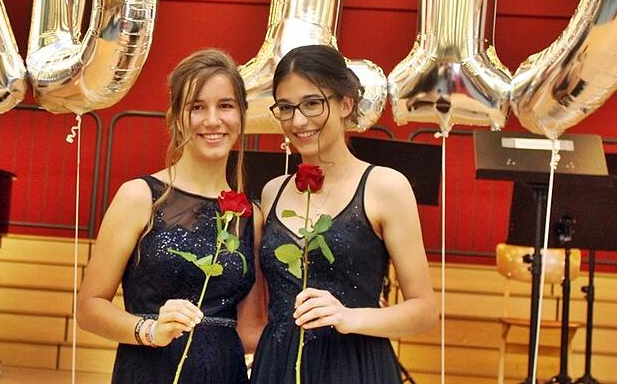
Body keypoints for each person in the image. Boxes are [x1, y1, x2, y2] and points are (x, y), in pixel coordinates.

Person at [249, 45, 438, 384]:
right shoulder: (272, 191)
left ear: (346, 104)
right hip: (277, 366)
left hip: (355, 366)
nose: (298, 121)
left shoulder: (386, 186)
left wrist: (349, 317)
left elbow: (424, 311)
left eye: (312, 103)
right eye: (286, 108)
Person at [78, 49, 266, 383]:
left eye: (225, 105)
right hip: (149, 372)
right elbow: (89, 308)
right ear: (177, 117)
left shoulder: (251, 216)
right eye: (197, 107)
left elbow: (251, 331)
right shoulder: (139, 197)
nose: (212, 120)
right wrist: (150, 330)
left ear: (241, 114)